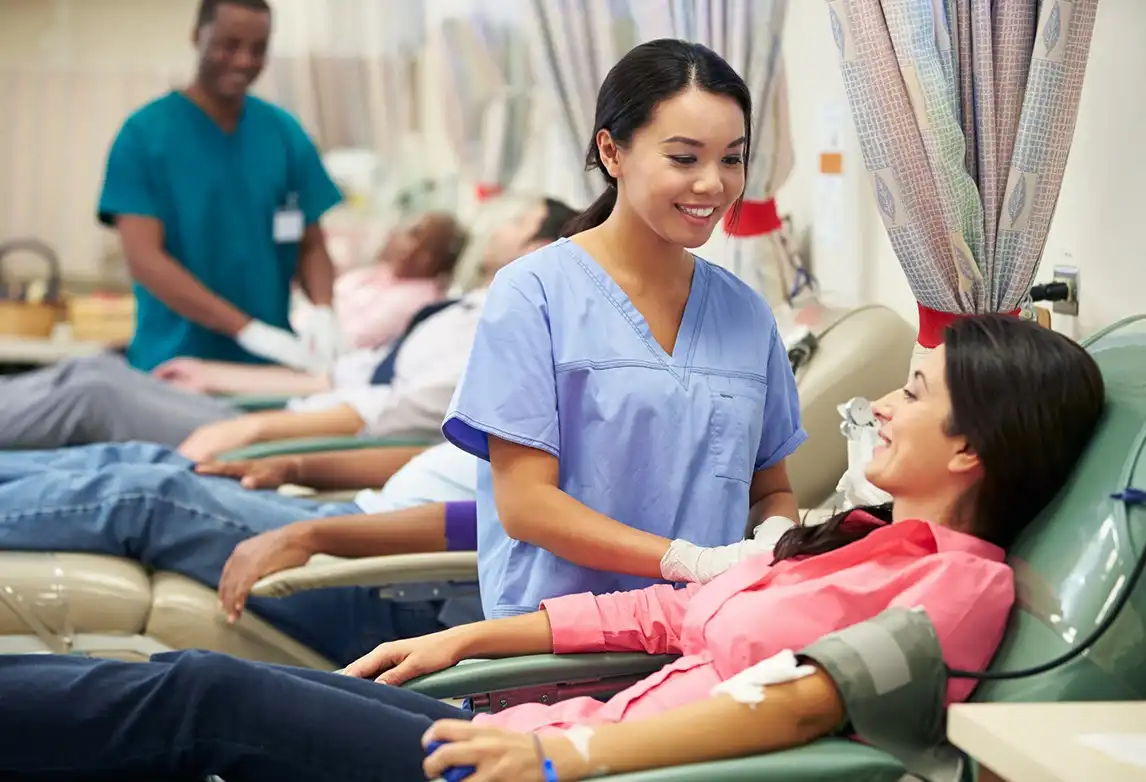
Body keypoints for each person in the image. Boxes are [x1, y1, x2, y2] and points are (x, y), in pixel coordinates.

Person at [0, 312, 1107, 781]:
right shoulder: (854, 537)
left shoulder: (960, 584)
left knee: (207, 697)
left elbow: (806, 706)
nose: (877, 404)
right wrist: (471, 638)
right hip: (535, 728)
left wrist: (561, 758)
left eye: (912, 392)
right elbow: (663, 614)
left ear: (972, 448)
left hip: (557, 764)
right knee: (201, 695)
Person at [441, 40, 804, 620]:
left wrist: (777, 535)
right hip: (558, 651)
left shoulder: (746, 314)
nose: (712, 184)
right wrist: (686, 561)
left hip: (700, 640)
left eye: (732, 158)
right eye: (684, 159)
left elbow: (769, 489)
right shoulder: (534, 293)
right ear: (612, 151)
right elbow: (526, 505)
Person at [0, 199, 570, 452]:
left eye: (517, 222)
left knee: (93, 393)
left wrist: (254, 428)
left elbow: (392, 410)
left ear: (541, 247)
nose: (499, 228)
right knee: (94, 368)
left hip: (295, 439)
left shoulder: (493, 333)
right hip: (288, 417)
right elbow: (343, 376)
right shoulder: (464, 308)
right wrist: (218, 374)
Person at [97, 0, 343, 373]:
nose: (244, 60)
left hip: (271, 370)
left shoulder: (284, 135)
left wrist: (324, 310)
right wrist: (245, 329)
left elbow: (312, 244)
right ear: (198, 38)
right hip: (175, 364)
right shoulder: (144, 136)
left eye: (258, 48)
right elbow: (144, 259)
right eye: (229, 44)